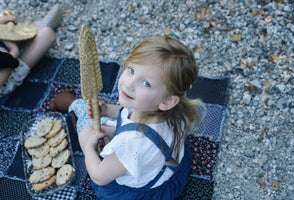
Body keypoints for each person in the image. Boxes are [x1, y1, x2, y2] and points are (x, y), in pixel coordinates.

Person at [72, 36, 206, 200]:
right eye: (131, 70)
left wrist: (88, 149)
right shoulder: (171, 109)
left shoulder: (132, 143)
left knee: (87, 132)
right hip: (171, 170)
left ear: (167, 101)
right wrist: (107, 110)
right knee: (102, 130)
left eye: (146, 83)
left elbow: (99, 176)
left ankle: (76, 118)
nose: (129, 84)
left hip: (141, 193)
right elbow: (126, 111)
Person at [0, 5, 61, 98]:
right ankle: (30, 36)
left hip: (6, 58)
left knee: (5, 22)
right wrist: (13, 48)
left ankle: (23, 35)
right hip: (7, 75)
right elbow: (11, 63)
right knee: (47, 34)